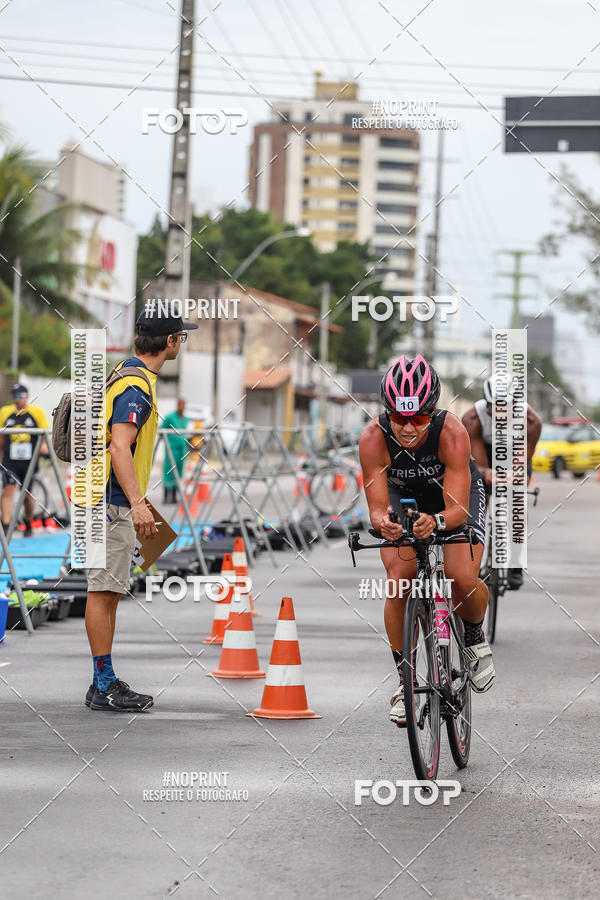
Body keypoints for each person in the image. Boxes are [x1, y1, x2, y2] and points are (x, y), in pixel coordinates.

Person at [358, 354, 493, 727]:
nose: (408, 427)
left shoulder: (451, 432)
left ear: (432, 412)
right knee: (399, 580)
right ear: (388, 413)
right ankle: (405, 682)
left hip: (450, 499)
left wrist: (435, 522)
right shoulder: (372, 438)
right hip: (405, 498)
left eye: (418, 417)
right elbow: (376, 508)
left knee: (461, 577)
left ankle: (475, 635)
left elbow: (457, 512)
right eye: (400, 418)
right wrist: (384, 523)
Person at [77, 303, 198, 713]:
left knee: (108, 593)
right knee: (103, 592)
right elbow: (119, 447)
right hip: (110, 503)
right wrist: (137, 503)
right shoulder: (135, 386)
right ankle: (104, 684)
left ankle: (102, 681)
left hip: (104, 499)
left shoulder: (127, 374)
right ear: (169, 341)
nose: (181, 342)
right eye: (181, 336)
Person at [461, 375, 541, 589]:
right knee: (478, 496)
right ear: (485, 404)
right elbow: (478, 466)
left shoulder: (531, 422)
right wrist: (486, 474)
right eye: (494, 408)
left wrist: (514, 476)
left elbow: (521, 461)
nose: (500, 414)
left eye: (506, 408)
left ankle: (515, 563)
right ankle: (473, 560)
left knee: (517, 499)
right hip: (484, 452)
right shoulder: (472, 419)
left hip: (516, 451)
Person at [0, 384, 50, 536]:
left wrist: (44, 447)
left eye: (20, 396)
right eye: (14, 396)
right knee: (8, 489)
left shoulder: (37, 412)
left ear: (27, 396)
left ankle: (28, 521)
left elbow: (44, 433)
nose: (17, 399)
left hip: (29, 460)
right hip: (10, 459)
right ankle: (6, 525)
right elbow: (1, 436)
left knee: (27, 493)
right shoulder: (5, 412)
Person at [162, 398, 190, 504]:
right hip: (171, 448)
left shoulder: (186, 419)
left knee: (178, 472)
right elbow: (162, 429)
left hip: (182, 450)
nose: (182, 407)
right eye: (180, 405)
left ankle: (174, 496)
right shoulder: (170, 417)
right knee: (169, 471)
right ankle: (166, 497)